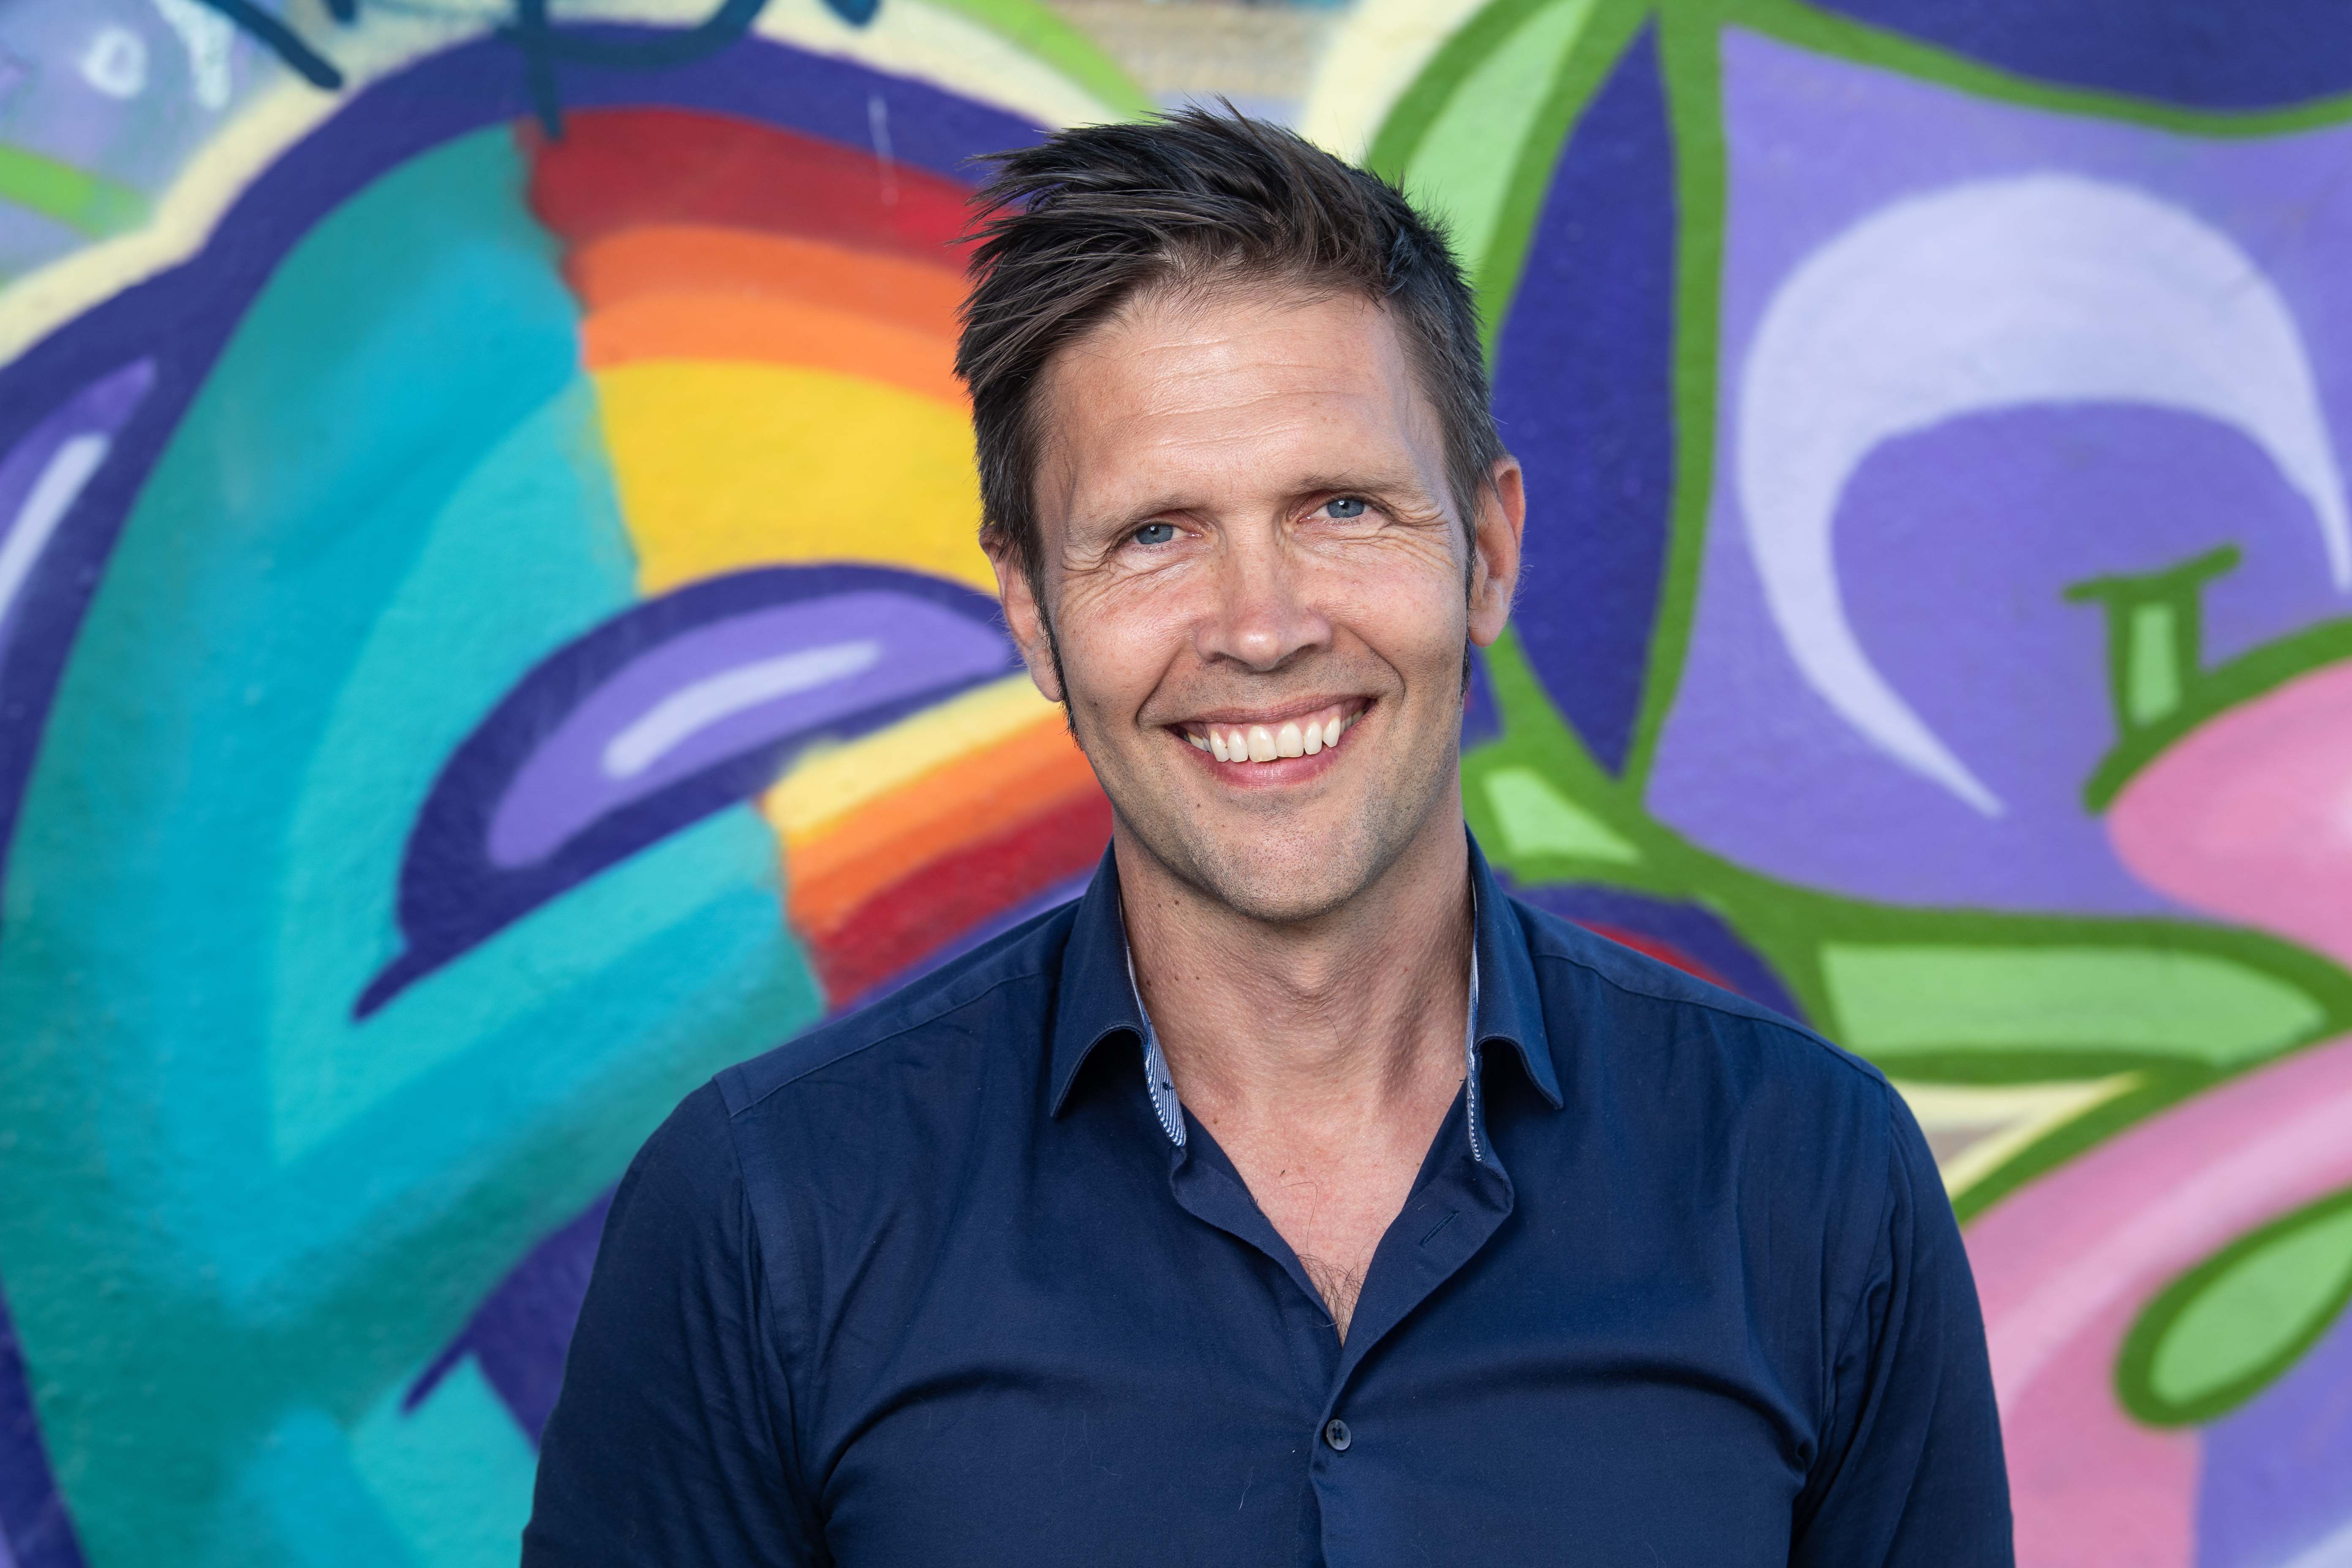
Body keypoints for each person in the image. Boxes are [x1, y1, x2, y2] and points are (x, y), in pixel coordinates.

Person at [523, 108, 2012, 1566]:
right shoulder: (770, 1209)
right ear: (1035, 612)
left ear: (1487, 552)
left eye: (1341, 507)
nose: (1261, 627)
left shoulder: (1810, 1179)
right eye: (1154, 533)